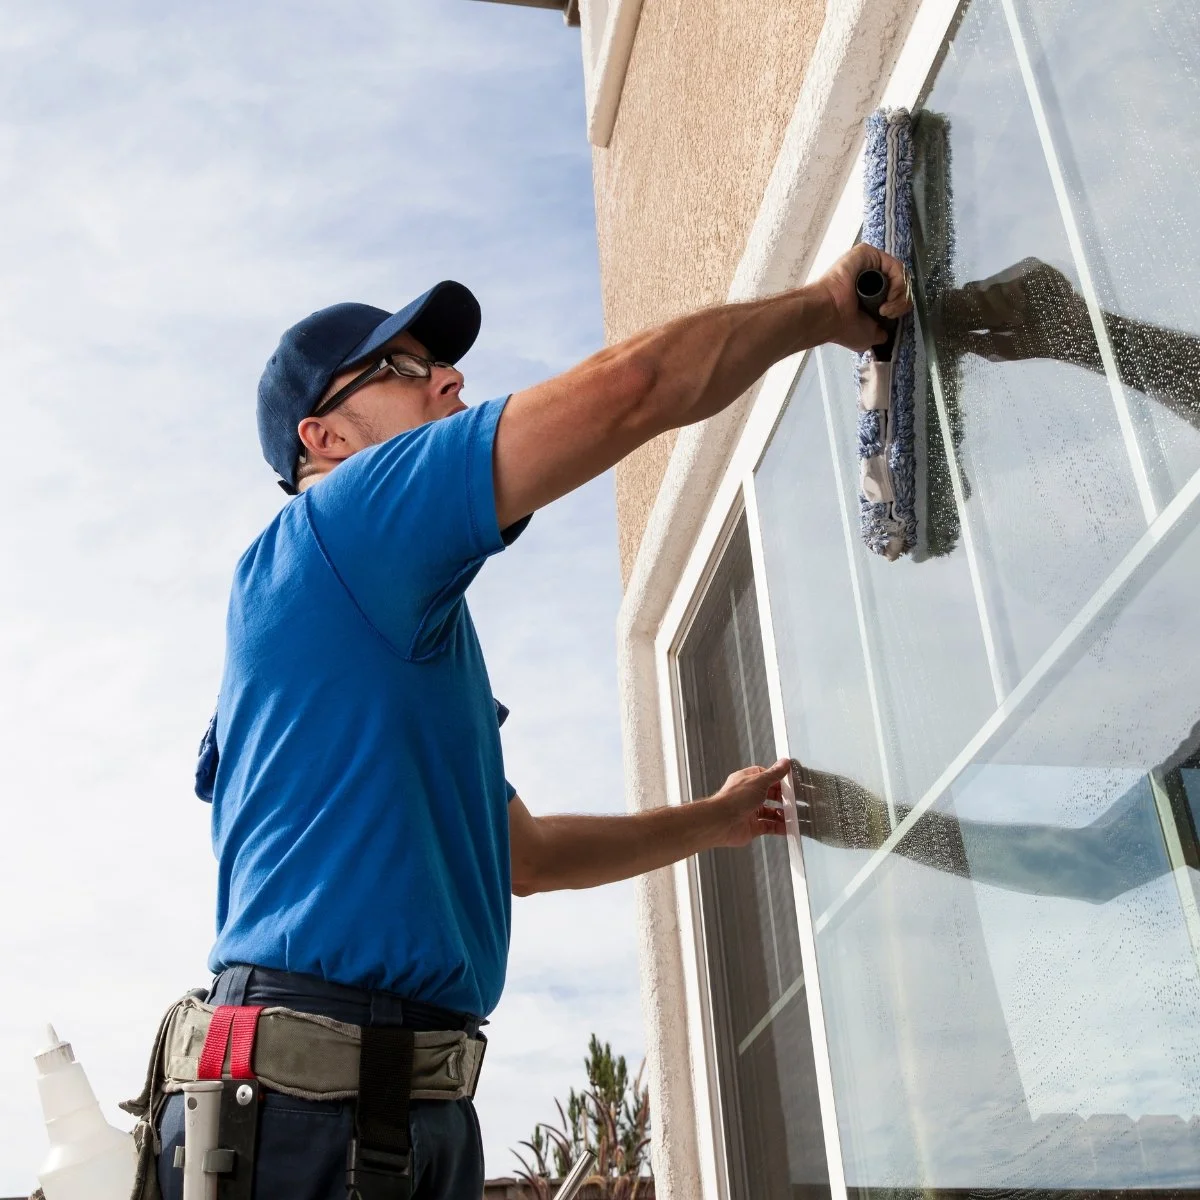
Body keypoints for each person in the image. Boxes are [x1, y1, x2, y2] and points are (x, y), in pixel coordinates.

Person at [153, 242, 910, 1200]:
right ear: (325, 439)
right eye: (403, 370)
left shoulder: (381, 637)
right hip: (313, 1109)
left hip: (382, 1103)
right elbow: (634, 387)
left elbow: (526, 857)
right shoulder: (343, 525)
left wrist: (713, 822)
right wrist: (826, 308)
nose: (448, 378)